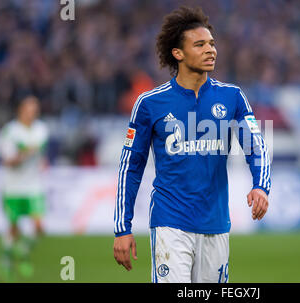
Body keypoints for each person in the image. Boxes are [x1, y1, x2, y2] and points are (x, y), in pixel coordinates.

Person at [113, 6, 271, 283]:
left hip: (216, 224)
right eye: (200, 44)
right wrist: (122, 228)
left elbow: (255, 146)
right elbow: (131, 167)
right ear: (178, 53)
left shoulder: (232, 97)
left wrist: (260, 185)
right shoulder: (150, 104)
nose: (211, 50)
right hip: (169, 222)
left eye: (212, 43)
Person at [0, 96, 49, 281]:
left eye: (35, 109)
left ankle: (23, 252)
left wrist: (39, 158)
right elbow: (8, 161)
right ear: (21, 110)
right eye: (30, 109)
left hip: (33, 186)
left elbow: (40, 151)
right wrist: (24, 154)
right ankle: (6, 261)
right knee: (13, 228)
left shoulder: (41, 129)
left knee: (39, 227)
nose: (33, 112)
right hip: (13, 188)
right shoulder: (11, 131)